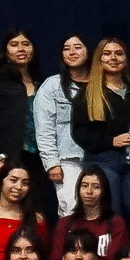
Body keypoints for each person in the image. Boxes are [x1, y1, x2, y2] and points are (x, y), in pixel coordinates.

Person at [70, 38, 130, 247]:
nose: (113, 58)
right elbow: (79, 132)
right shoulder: (87, 94)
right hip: (102, 163)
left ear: (126, 59)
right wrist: (111, 140)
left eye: (118, 53)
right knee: (111, 221)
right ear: (98, 59)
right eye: (107, 54)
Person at [0, 30, 48, 212]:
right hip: (7, 156)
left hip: (39, 159)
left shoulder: (42, 82)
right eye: (14, 45)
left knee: (37, 211)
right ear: (5, 50)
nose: (21, 49)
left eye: (26, 44)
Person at [33, 34, 93, 219]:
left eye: (77, 47)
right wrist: (51, 164)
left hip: (100, 158)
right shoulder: (52, 86)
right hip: (68, 160)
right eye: (67, 48)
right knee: (71, 210)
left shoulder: (101, 84)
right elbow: (44, 128)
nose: (72, 52)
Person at [49, 168, 127, 260]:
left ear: (104, 191)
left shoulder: (116, 223)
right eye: (84, 186)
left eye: (96, 187)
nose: (89, 192)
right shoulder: (65, 223)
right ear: (78, 190)